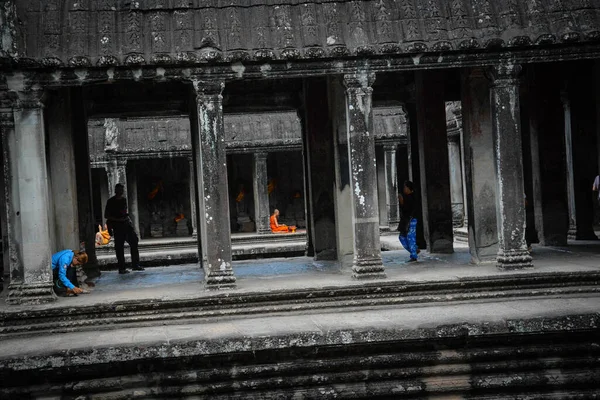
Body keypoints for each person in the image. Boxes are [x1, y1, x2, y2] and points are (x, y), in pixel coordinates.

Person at [105, 183, 144, 274]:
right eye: (119, 190)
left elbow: (125, 212)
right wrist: (117, 220)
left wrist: (128, 220)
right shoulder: (111, 201)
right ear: (116, 191)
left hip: (126, 225)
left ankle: (135, 264)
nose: (121, 192)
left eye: (122, 190)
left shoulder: (123, 200)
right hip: (117, 227)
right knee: (119, 247)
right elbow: (106, 215)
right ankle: (121, 268)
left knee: (134, 242)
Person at [398, 180, 419, 262]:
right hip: (406, 220)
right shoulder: (406, 196)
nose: (404, 189)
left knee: (411, 237)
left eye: (405, 187)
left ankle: (414, 255)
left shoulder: (412, 197)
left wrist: (402, 202)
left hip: (411, 220)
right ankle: (414, 250)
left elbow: (407, 209)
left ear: (409, 188)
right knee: (402, 237)